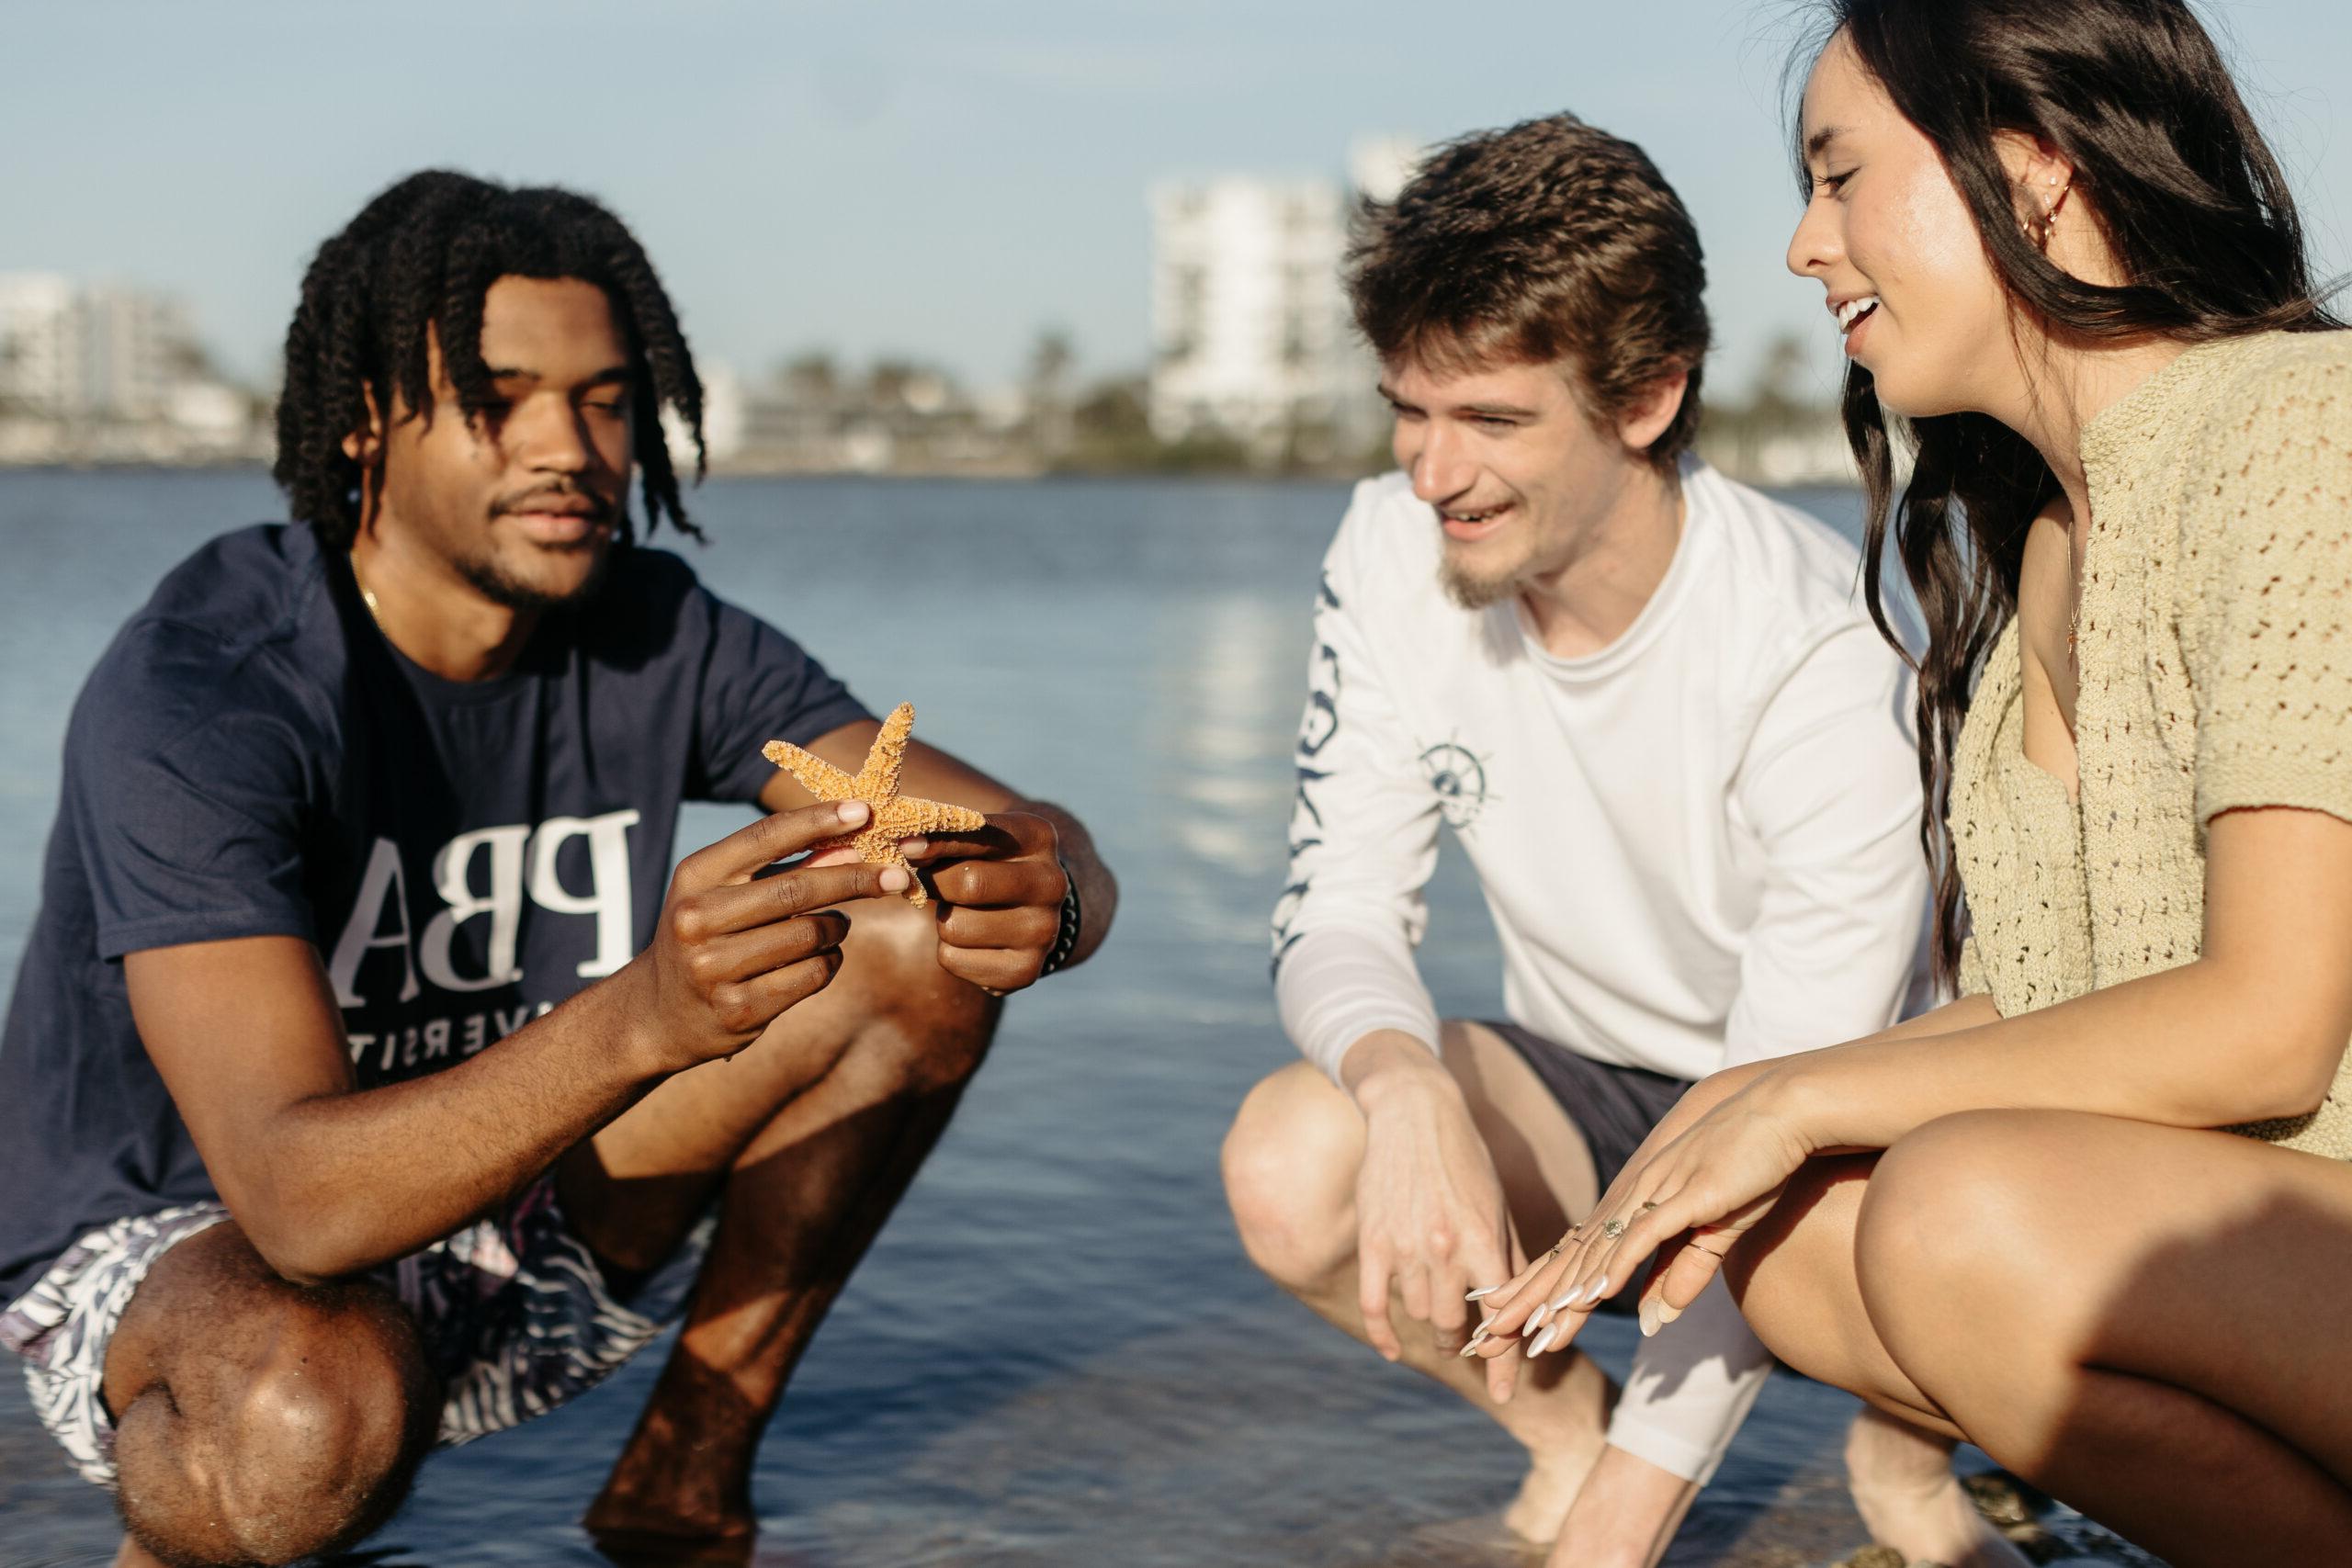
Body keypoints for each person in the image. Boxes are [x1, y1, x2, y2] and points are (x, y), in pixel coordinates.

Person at [0, 170, 1116, 1568]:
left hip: (512, 1209)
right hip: (193, 1256)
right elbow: (296, 1202)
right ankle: (184, 1541)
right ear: (362, 420)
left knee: (905, 944)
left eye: (603, 398)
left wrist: (1056, 885)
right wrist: (654, 1011)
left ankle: (682, 1487)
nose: (568, 446)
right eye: (499, 395)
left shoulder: (656, 632)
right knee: (299, 1419)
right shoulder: (207, 692)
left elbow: (1005, 831)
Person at [1468, 4, 2352, 1565]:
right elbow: (2059, 999)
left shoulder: (2294, 429)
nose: (1806, 249)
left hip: (2302, 1208)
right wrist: (1731, 1116)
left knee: (1951, 1209)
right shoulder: (2049, 550)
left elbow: (2269, 1023)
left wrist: (1810, 1089)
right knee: (1788, 1248)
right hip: (2267, 1234)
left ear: (2036, 177)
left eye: (1839, 176)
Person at [1219, 115, 1933, 1568]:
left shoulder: (1816, 650)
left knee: (1700, 1463)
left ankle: (1909, 1449)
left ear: (1650, 396)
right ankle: (1563, 1429)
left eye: (1490, 420)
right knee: (1298, 1161)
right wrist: (1405, 1083)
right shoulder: (1382, 550)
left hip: (1843, 1122)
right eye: (1406, 412)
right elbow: (1336, 907)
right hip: (1597, 1085)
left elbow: (1766, 1104)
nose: (1431, 472)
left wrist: (1627, 1528)